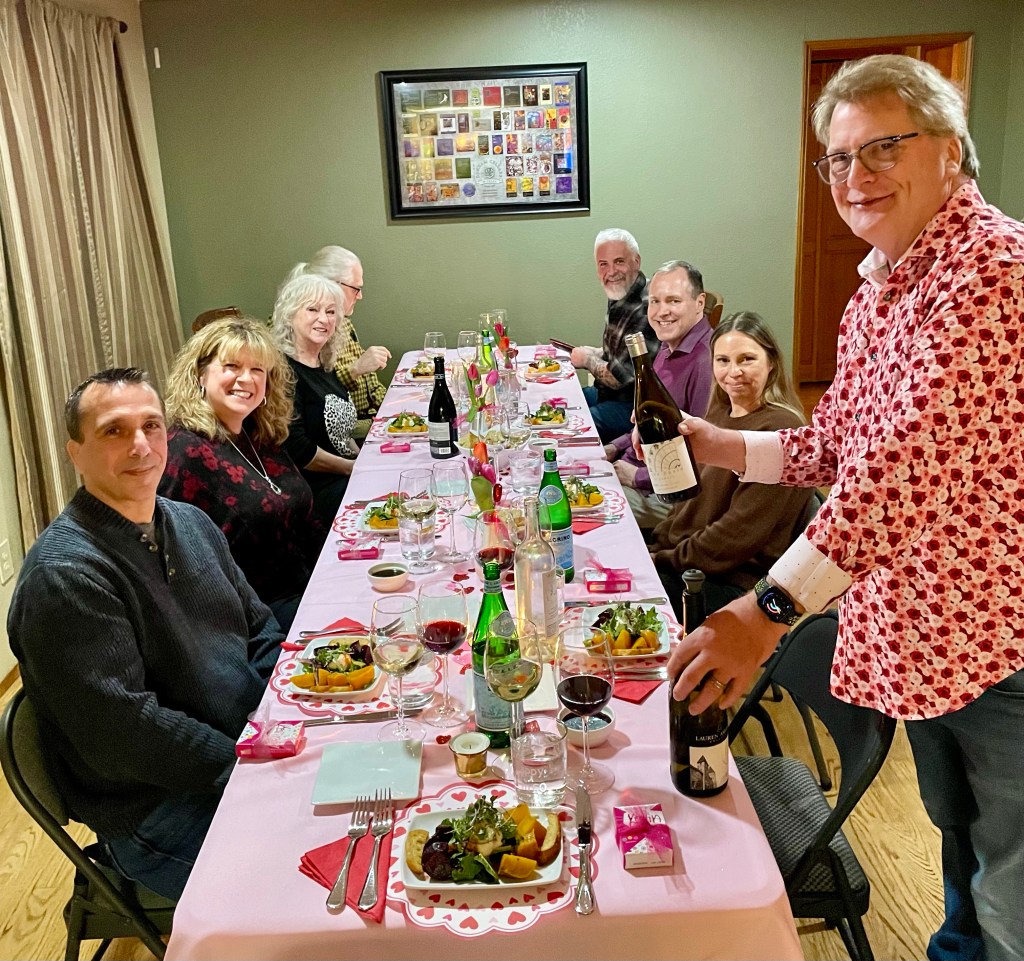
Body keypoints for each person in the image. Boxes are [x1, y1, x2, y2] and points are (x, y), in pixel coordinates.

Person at [665, 55, 1024, 961]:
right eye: (838, 157)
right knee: (963, 844)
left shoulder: (993, 271)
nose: (855, 176)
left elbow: (901, 470)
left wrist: (768, 609)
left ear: (950, 149)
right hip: (927, 634)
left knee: (1014, 882)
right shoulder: (879, 292)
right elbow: (836, 443)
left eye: (882, 149)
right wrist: (720, 444)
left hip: (1001, 634)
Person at [7, 368, 283, 900]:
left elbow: (259, 625)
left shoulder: (189, 522)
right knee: (320, 882)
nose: (140, 445)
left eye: (151, 426)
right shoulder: (65, 577)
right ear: (75, 453)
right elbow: (126, 734)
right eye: (114, 430)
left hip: (243, 748)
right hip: (160, 807)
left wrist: (283, 718)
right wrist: (249, 767)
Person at [160, 316, 320, 631]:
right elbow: (177, 568)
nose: (245, 379)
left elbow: (304, 519)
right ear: (201, 375)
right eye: (231, 366)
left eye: (257, 370)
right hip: (255, 616)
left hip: (308, 586)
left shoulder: (258, 434)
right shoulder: (184, 452)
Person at [648, 312, 811, 619]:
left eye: (747, 359)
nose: (733, 372)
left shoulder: (781, 430)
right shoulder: (720, 414)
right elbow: (688, 503)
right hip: (690, 560)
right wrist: (658, 545)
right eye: (723, 360)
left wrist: (663, 560)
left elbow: (736, 536)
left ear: (771, 362)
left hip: (731, 582)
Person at [604, 260, 714, 530]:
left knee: (577, 513)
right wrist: (614, 446)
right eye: (655, 301)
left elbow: (704, 456)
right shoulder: (667, 347)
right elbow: (648, 423)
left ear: (699, 303)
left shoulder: (707, 361)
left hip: (668, 494)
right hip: (637, 467)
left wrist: (637, 476)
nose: (662, 311)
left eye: (673, 301)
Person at [271, 273, 358, 529]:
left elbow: (342, 434)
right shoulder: (283, 371)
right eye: (312, 309)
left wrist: (364, 459)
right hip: (315, 491)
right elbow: (297, 448)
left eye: (331, 312)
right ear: (290, 314)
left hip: (345, 474)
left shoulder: (323, 365)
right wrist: (352, 468)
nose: (324, 319)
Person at [289, 246, 390, 441]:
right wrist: (356, 369)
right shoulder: (298, 331)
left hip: (369, 420)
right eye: (355, 289)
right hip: (349, 429)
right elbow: (320, 398)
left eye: (330, 312)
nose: (360, 296)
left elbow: (371, 386)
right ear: (332, 284)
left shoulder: (342, 323)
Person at [570, 228, 659, 442]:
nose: (611, 272)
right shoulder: (622, 291)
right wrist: (598, 352)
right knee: (557, 403)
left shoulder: (647, 307)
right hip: (606, 394)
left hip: (633, 406)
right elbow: (623, 353)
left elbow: (619, 378)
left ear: (636, 261)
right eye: (603, 264)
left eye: (619, 261)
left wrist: (587, 360)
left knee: (570, 427)